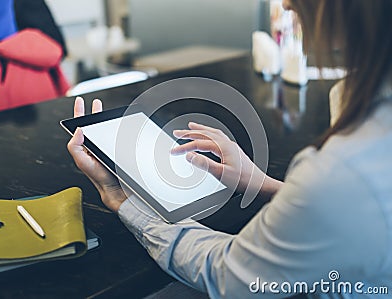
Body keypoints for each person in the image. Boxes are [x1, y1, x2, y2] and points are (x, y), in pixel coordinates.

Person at [67, 0, 392, 298]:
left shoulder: (341, 170)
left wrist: (126, 202)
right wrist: (260, 183)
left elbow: (229, 275)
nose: (289, 4)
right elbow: (349, 213)